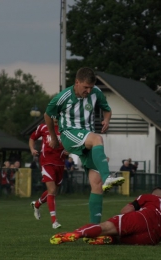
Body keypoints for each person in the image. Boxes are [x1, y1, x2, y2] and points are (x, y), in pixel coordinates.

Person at [44, 67, 124, 224]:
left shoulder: (96, 93)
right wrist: (54, 137)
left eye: (91, 87)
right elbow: (48, 114)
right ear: (77, 82)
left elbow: (107, 110)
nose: (88, 90)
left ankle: (94, 228)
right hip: (69, 134)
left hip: (87, 138)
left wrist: (107, 120)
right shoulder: (63, 97)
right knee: (97, 139)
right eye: (85, 87)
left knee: (97, 184)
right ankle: (108, 176)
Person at [50, 187, 161, 246]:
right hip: (150, 239)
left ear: (155, 194)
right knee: (118, 238)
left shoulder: (150, 197)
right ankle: (109, 240)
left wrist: (121, 221)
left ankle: (76, 234)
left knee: (104, 227)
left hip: (142, 218)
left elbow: (126, 210)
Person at [29, 119, 67, 229]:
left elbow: (71, 144)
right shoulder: (43, 127)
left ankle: (36, 204)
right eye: (52, 115)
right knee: (52, 191)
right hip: (46, 162)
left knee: (54, 191)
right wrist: (32, 149)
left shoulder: (65, 129)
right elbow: (32, 138)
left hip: (60, 163)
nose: (55, 118)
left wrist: (69, 150)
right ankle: (54, 221)